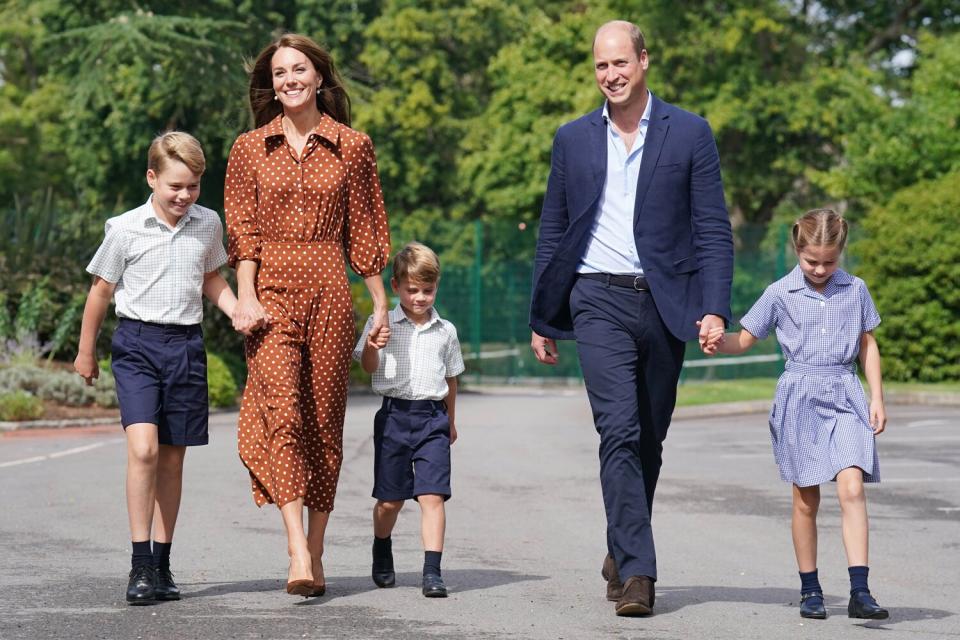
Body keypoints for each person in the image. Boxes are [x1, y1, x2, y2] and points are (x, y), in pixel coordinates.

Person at [529, 20, 734, 616]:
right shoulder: (572, 140)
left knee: (649, 437)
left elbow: (713, 229)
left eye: (620, 63)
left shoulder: (690, 133)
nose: (611, 75)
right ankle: (640, 575)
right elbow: (553, 231)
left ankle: (621, 547)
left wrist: (715, 306)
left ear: (644, 60)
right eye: (600, 66)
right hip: (596, 299)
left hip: (667, 303)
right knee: (616, 429)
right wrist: (544, 313)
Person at [225, 33, 391, 598]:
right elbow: (242, 234)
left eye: (299, 69)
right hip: (270, 292)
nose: (289, 80)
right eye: (279, 73)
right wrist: (244, 296)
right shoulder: (249, 148)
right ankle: (296, 546)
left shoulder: (353, 146)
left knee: (324, 422)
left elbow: (365, 230)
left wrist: (380, 302)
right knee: (284, 413)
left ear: (320, 77)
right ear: (270, 85)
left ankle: (316, 550)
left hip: (329, 289)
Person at [73, 131, 240, 605]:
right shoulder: (124, 228)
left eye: (192, 186)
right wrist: (86, 352)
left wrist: (237, 311)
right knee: (144, 449)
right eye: (175, 186)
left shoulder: (207, 224)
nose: (184, 196)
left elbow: (211, 277)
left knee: (172, 456)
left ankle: (163, 565)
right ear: (152, 178)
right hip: (138, 346)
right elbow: (101, 292)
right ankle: (140, 564)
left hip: (186, 346)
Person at [701, 208, 889, 620]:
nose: (821, 269)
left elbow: (867, 344)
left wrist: (876, 396)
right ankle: (811, 589)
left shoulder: (855, 289)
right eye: (812, 261)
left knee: (852, 487)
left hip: (845, 393)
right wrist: (717, 340)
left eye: (830, 261)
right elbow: (745, 340)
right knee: (806, 499)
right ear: (797, 250)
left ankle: (860, 590)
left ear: (841, 254)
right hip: (800, 396)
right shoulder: (779, 293)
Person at [353, 242, 465, 598]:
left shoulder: (445, 331)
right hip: (394, 418)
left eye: (427, 290)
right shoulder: (381, 322)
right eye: (412, 290)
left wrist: (450, 420)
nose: (420, 297)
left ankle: (432, 571)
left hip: (432, 419)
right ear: (396, 287)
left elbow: (451, 378)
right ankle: (381, 546)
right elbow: (367, 367)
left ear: (436, 288)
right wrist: (374, 344)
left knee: (433, 496)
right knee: (390, 501)